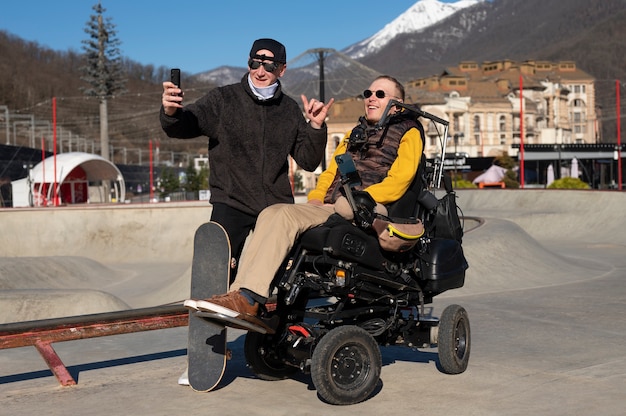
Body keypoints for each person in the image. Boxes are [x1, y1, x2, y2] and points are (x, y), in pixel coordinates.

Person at [184, 75, 424, 331]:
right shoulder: (355, 134)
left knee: (290, 217)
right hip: (336, 205)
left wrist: (363, 198)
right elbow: (331, 172)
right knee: (272, 212)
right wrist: (316, 198)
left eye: (380, 94)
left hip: (371, 209)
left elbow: (401, 179)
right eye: (368, 93)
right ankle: (242, 296)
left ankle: (248, 298)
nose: (371, 98)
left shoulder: (409, 131)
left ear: (397, 104)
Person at [160, 38, 334, 275]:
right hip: (232, 202)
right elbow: (185, 125)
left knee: (281, 274)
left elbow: (308, 160)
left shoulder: (289, 109)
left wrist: (315, 127)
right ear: (248, 63)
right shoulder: (223, 99)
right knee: (220, 273)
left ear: (282, 69)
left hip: (276, 206)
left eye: (269, 65)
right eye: (255, 62)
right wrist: (172, 112)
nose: (261, 71)